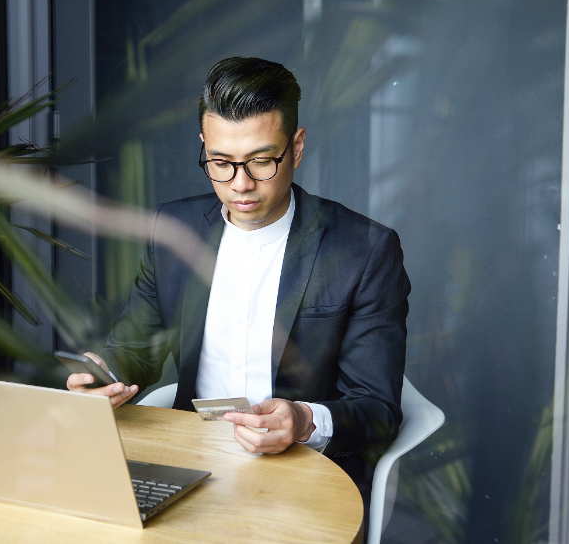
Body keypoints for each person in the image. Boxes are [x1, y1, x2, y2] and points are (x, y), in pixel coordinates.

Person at [66, 56, 408, 515]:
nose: (240, 185)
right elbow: (136, 349)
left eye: (262, 161)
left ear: (297, 147)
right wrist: (101, 374)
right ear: (204, 145)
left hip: (306, 473)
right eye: (220, 162)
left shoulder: (364, 250)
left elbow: (377, 411)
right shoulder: (174, 228)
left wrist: (304, 420)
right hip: (188, 461)